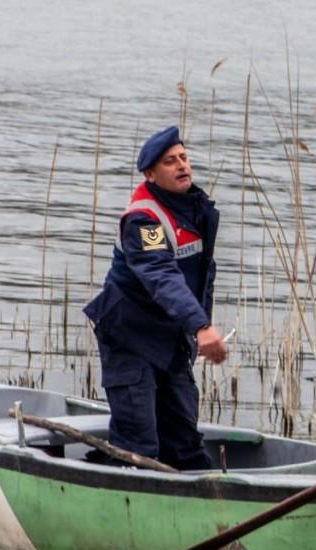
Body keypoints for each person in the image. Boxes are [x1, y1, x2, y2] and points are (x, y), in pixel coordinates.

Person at [82, 126, 227, 470]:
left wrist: (191, 335)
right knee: (139, 444)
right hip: (130, 339)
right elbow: (162, 277)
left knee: (185, 441)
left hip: (169, 341)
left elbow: (201, 277)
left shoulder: (193, 208)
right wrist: (201, 327)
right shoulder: (143, 221)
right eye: (169, 162)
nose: (182, 166)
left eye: (184, 158)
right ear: (151, 174)